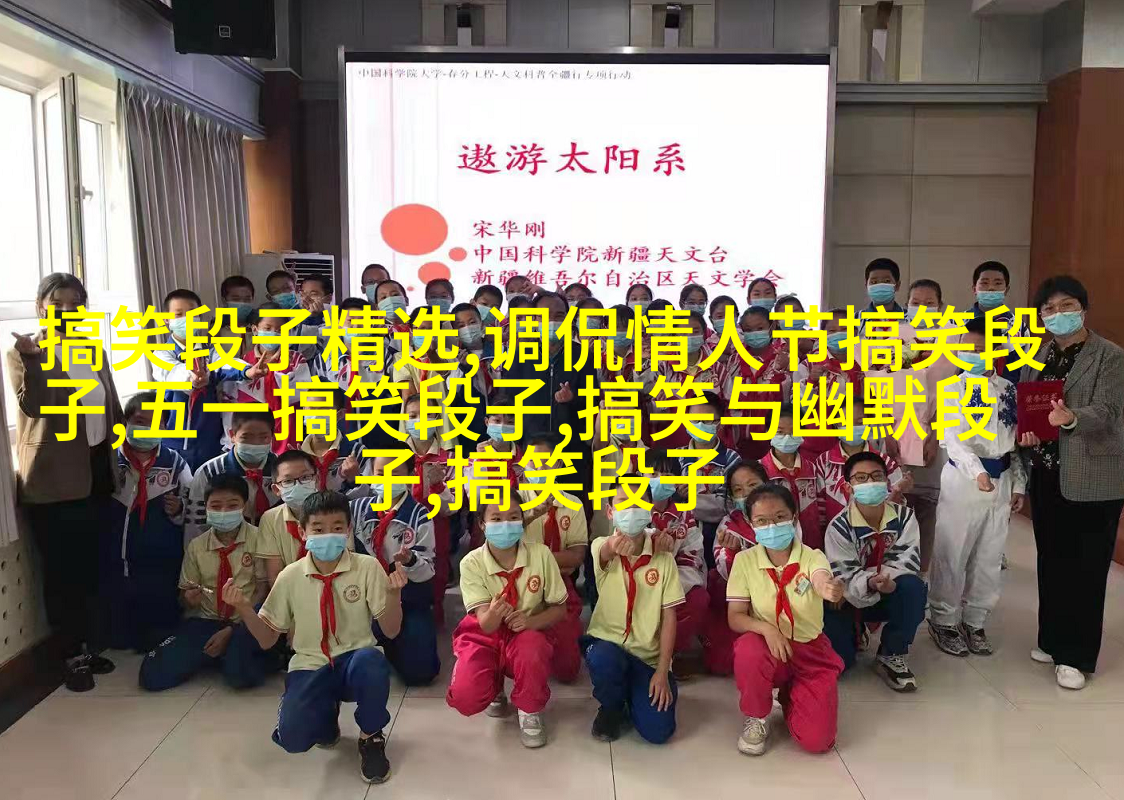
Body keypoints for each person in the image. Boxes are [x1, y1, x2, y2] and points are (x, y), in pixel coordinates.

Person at [226, 490, 406, 784]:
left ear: (348, 530)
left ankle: (371, 736)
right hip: (310, 665)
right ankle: (325, 714)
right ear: (302, 532)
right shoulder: (290, 576)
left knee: (372, 661)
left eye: (337, 528)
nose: (328, 536)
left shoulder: (367, 567)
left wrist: (394, 596)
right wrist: (245, 609)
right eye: (318, 529)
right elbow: (268, 639)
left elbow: (391, 630)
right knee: (293, 739)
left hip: (354, 663)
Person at [7, 272, 124, 689]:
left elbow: (110, 406)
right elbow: (35, 406)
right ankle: (69, 655)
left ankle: (88, 645)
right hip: (53, 481)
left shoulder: (92, 350)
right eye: (58, 304)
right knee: (62, 575)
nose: (67, 311)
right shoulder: (24, 352)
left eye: (76, 304)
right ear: (41, 308)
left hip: (95, 472)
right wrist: (33, 359)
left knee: (90, 567)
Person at [1018, 275, 1124, 690]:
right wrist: (1028, 434)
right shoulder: (1040, 354)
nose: (1057, 314)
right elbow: (1028, 403)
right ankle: (1051, 639)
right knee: (1052, 559)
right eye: (1049, 308)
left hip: (1093, 475)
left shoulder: (1109, 356)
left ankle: (1075, 655)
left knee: (1087, 567)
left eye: (1066, 306)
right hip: (1047, 472)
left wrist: (1072, 418)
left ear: (1083, 308)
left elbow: (1109, 410)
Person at [928, 317, 1026, 657]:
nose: (973, 353)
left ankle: (975, 619)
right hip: (964, 480)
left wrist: (1019, 484)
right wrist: (976, 471)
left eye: (980, 348)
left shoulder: (1009, 389)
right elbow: (952, 439)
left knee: (989, 555)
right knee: (953, 552)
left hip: (1001, 481)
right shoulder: (952, 389)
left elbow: (1014, 442)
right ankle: (943, 619)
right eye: (966, 348)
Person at [727, 483, 845, 756]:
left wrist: (828, 588)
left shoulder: (812, 557)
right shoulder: (745, 561)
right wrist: (766, 629)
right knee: (749, 649)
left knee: (818, 741)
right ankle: (757, 715)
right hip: (769, 648)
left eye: (779, 517)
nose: (771, 526)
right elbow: (735, 617)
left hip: (809, 651)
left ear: (794, 517)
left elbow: (820, 578)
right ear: (751, 524)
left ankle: (792, 695)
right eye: (761, 521)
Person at [446, 500, 568, 748]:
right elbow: (486, 625)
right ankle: (494, 687)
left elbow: (559, 609)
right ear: (482, 524)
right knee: (465, 697)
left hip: (526, 633)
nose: (506, 525)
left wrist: (530, 621)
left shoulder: (541, 555)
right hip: (484, 635)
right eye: (496, 519)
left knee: (532, 648)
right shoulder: (471, 563)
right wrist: (493, 613)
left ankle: (530, 709)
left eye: (513, 517)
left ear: (522, 521)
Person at [139, 474, 269, 691]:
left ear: (245, 506)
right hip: (206, 621)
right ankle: (217, 654)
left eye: (232, 505)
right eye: (216, 506)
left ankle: (233, 654)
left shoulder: (260, 539)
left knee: (240, 676)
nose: (224, 512)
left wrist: (234, 630)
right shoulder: (197, 546)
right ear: (206, 508)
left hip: (246, 621)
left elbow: (264, 591)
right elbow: (184, 596)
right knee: (152, 675)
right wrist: (188, 598)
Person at [582, 479, 685, 745]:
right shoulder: (600, 546)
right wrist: (614, 546)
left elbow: (669, 617)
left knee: (659, 732)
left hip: (647, 657)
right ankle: (611, 707)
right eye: (623, 503)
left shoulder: (664, 558)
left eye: (639, 503)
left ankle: (633, 692)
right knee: (603, 659)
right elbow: (606, 550)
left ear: (650, 510)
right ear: (610, 511)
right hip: (608, 645)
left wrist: (662, 671)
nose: (631, 510)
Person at [823, 452, 926, 692]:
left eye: (876, 476)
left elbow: (907, 561)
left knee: (913, 588)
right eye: (861, 478)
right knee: (841, 662)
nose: (870, 482)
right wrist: (870, 581)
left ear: (887, 481)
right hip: (848, 598)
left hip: (891, 589)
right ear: (848, 487)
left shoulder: (904, 517)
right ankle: (855, 630)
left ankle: (892, 652)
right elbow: (844, 573)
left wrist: (889, 582)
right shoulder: (839, 526)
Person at [106, 391, 193, 652]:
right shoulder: (111, 460)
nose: (146, 429)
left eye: (154, 423)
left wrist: (179, 509)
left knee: (159, 627)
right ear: (125, 423)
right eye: (139, 422)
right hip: (117, 555)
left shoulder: (175, 463)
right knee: (119, 628)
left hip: (160, 559)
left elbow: (192, 508)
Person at [351, 455, 441, 686]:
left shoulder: (420, 516)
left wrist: (411, 561)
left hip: (405, 597)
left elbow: (427, 572)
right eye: (381, 474)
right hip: (361, 597)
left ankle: (391, 643)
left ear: (410, 476)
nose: (387, 480)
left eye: (395, 474)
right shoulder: (357, 508)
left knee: (421, 672)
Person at [154, 289, 262, 470]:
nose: (186, 319)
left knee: (210, 480)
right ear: (166, 320)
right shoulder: (162, 353)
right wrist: (193, 378)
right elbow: (173, 373)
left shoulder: (209, 351)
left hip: (209, 439)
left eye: (192, 314)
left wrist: (247, 371)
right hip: (175, 440)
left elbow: (226, 363)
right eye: (179, 314)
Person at [521, 432, 589, 683]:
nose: (540, 468)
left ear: (558, 463)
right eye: (533, 461)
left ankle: (550, 635)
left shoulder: (573, 504)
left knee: (568, 670)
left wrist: (531, 556)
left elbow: (576, 557)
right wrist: (529, 516)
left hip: (559, 585)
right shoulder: (511, 501)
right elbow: (500, 550)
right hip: (518, 585)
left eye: (547, 461)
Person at [644, 453, 707, 674]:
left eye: (667, 474)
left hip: (675, 581)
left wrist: (667, 584)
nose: (660, 479)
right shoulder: (632, 510)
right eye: (653, 474)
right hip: (640, 581)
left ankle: (672, 652)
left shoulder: (685, 514)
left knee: (698, 598)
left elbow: (692, 555)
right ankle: (642, 653)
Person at [706, 461, 768, 675]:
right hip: (740, 597)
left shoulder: (782, 516)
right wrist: (733, 553)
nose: (747, 493)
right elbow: (723, 571)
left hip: (777, 592)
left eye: (753, 485)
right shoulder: (728, 524)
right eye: (738, 489)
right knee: (723, 663)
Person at [186, 410, 279, 539]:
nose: (255, 443)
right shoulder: (210, 472)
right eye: (246, 437)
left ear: (272, 436)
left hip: (275, 545)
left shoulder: (283, 470)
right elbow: (195, 524)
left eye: (263, 437)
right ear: (232, 435)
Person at [255, 450, 323, 585]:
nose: (298, 485)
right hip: (288, 591)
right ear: (276, 489)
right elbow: (275, 576)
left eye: (305, 477)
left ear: (317, 479)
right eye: (288, 481)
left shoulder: (337, 511)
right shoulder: (270, 519)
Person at [760, 405, 821, 546]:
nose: (787, 437)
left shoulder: (813, 469)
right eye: (779, 432)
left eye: (794, 431)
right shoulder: (760, 471)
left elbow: (822, 512)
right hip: (776, 547)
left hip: (813, 546)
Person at [971, 260, 1025, 384]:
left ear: (1006, 290)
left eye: (998, 283)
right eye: (984, 283)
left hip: (1007, 391)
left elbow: (1023, 368)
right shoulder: (957, 323)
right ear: (974, 289)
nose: (991, 288)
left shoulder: (1018, 326)